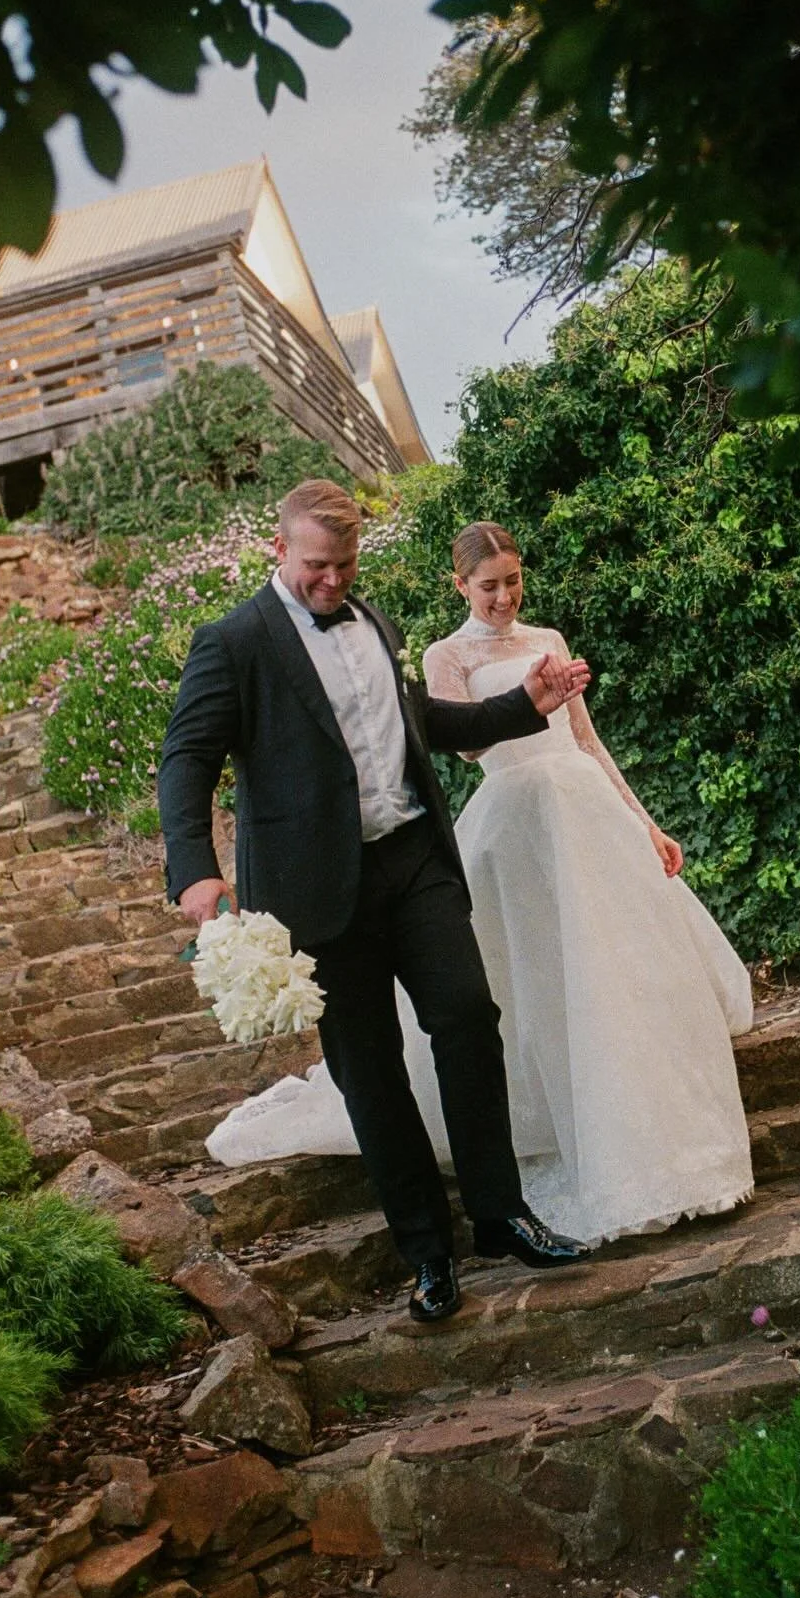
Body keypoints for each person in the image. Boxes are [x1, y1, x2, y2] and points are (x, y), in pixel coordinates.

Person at [208, 520, 755, 1248]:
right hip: (458, 840)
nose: (503, 595)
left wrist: (640, 817)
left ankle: (590, 1177)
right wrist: (529, 698)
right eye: (488, 584)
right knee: (436, 1032)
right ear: (460, 585)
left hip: (540, 824)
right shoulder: (412, 650)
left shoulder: (512, 634)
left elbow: (582, 740)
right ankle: (460, 1226)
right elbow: (460, 739)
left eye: (513, 581)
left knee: (557, 994)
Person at [158, 481, 593, 1326]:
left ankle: (501, 1215)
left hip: (413, 860)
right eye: (318, 566)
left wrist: (521, 707)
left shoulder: (377, 621)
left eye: (346, 564)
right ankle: (428, 1253)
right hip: (316, 893)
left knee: (468, 1016)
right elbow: (186, 759)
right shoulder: (234, 642)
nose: (333, 582)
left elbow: (418, 721)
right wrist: (195, 873)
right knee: (369, 1071)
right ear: (278, 552)